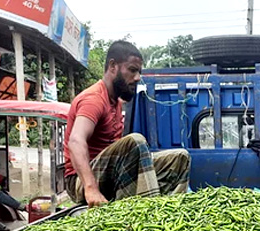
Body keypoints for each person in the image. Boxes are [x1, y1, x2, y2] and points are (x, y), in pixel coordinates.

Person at [64, 40, 191, 207]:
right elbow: (76, 140)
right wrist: (90, 187)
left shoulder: (115, 101)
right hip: (80, 180)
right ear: (113, 66)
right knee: (135, 142)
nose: (137, 78)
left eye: (139, 72)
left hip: (109, 174)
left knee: (180, 158)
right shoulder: (93, 99)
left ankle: (172, 211)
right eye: (132, 70)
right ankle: (149, 217)